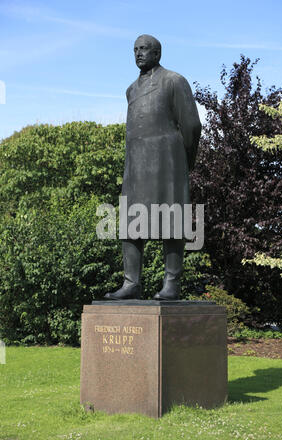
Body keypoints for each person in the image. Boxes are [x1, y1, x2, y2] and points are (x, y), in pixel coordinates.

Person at [104, 34, 201, 300]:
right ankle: (131, 283)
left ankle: (172, 283)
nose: (138, 53)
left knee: (172, 220)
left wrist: (183, 161)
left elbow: (192, 125)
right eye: (135, 49)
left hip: (168, 161)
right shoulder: (131, 90)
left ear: (157, 53)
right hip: (135, 165)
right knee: (130, 222)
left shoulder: (173, 81)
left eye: (144, 49)